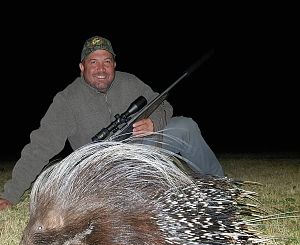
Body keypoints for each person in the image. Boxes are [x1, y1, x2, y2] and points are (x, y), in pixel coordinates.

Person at [0, 36, 224, 211]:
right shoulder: (67, 99)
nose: (101, 69)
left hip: (141, 149)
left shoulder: (130, 82)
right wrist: (11, 194)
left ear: (114, 64)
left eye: (107, 61)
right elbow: (41, 145)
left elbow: (163, 103)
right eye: (93, 62)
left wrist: (154, 122)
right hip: (102, 170)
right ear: (81, 66)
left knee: (186, 125)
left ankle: (219, 184)